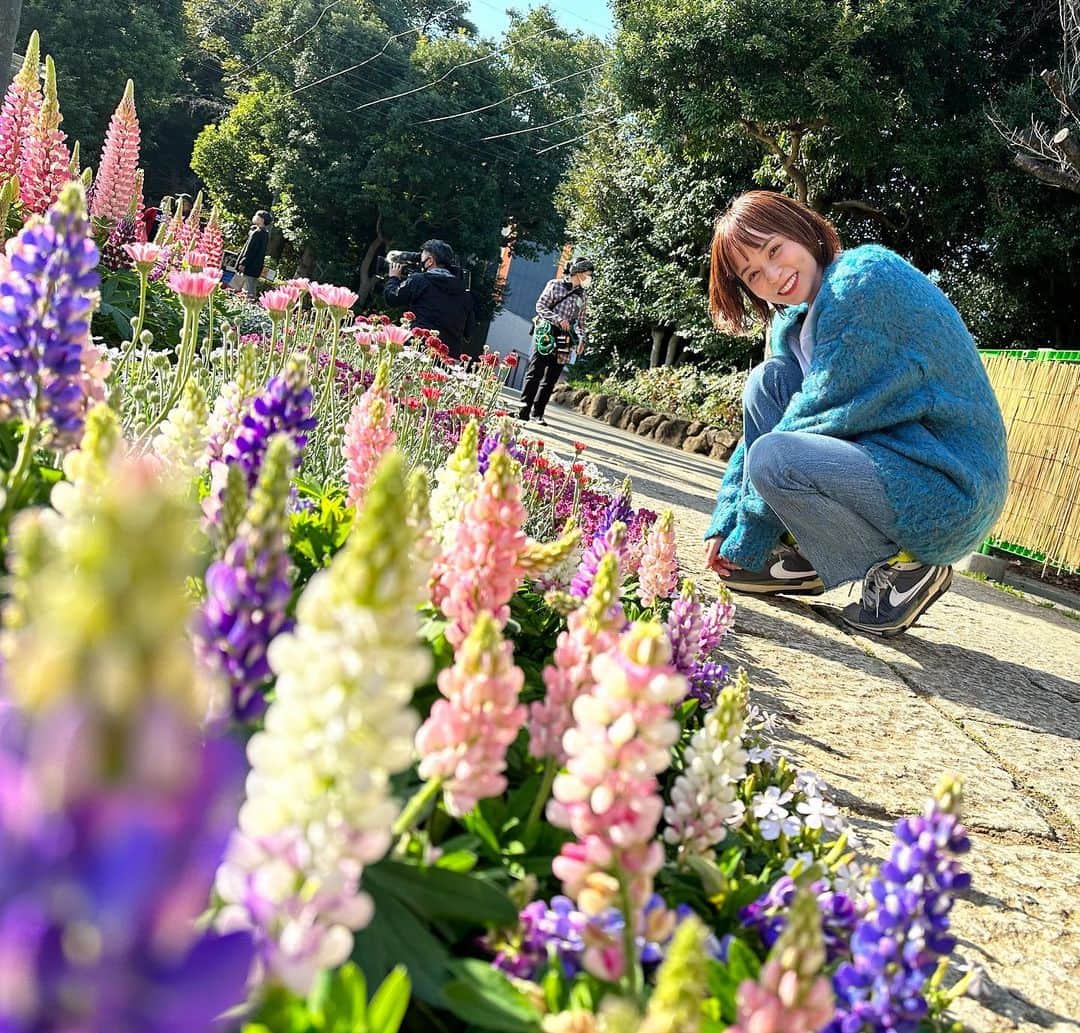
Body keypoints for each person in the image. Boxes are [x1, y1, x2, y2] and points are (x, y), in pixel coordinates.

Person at [702, 191, 1008, 637]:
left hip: (949, 488)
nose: (774, 274)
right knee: (766, 384)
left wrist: (747, 535)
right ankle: (810, 555)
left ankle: (906, 569)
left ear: (802, 231)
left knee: (776, 459)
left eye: (774, 250)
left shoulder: (864, 282)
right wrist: (724, 521)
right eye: (753, 274)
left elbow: (810, 418)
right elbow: (763, 429)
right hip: (894, 466)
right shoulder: (797, 322)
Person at [517, 257, 593, 426]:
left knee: (552, 377)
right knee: (535, 372)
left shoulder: (583, 296)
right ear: (578, 272)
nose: (589, 278)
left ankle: (538, 414)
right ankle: (522, 411)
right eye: (588, 274)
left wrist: (582, 340)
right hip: (547, 332)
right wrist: (558, 319)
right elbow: (540, 306)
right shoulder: (555, 285)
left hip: (565, 337)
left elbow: (581, 322)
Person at [384, 240, 475, 358]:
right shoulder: (464, 293)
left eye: (422, 258)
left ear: (430, 261)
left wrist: (394, 278)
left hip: (417, 350)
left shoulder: (421, 280)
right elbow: (468, 333)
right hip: (447, 358)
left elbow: (392, 298)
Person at [236, 210, 271, 300]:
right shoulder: (265, 233)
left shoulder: (257, 233)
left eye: (257, 216)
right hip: (256, 267)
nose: (255, 217)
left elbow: (250, 250)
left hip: (249, 266)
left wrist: (243, 262)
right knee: (251, 287)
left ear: (262, 220)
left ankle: (247, 305)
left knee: (246, 291)